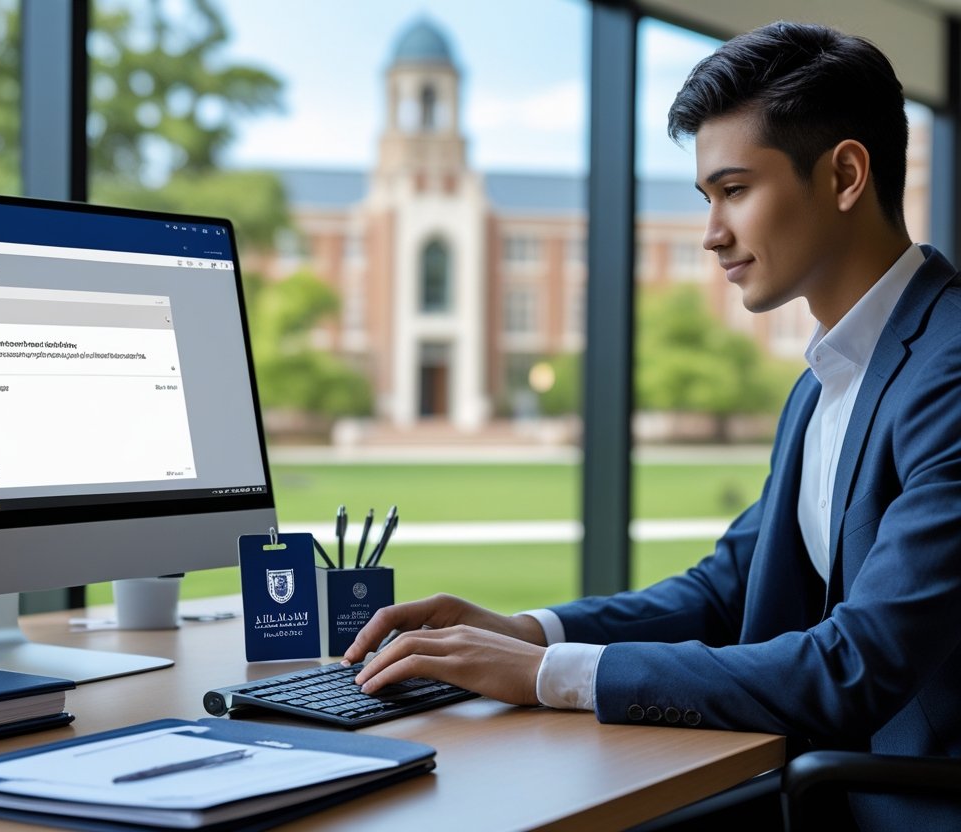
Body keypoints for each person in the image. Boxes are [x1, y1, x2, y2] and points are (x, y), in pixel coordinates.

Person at [343, 21, 961, 831]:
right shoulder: (827, 381)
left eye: (735, 190)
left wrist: (545, 674)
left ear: (845, 174)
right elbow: (724, 589)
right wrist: (525, 630)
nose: (712, 234)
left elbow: (857, 665)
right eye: (707, 199)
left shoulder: (947, 368)